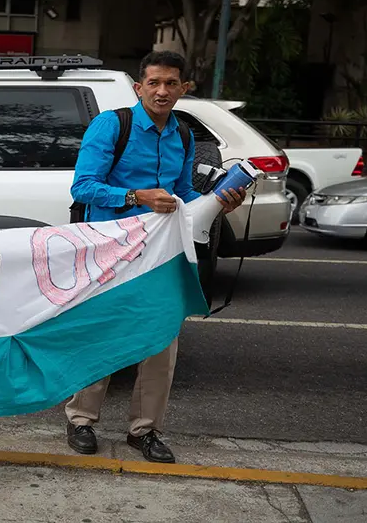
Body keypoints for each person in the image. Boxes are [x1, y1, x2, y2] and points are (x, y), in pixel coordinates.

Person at [66, 50, 246, 464]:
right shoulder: (112, 125)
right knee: (103, 333)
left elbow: (183, 194)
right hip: (110, 248)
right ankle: (80, 421)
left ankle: (145, 431)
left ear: (183, 88)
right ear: (139, 87)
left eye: (171, 84)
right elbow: (83, 188)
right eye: (154, 83)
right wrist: (134, 196)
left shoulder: (182, 135)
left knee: (161, 338)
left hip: (163, 250)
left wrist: (219, 203)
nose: (162, 91)